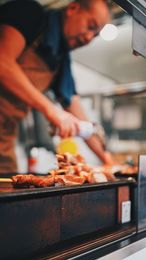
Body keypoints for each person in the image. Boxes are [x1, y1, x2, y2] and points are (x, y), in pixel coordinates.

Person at [0, 0, 114, 173]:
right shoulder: (29, 14)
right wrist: (52, 111)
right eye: (91, 26)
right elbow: (3, 62)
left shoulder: (61, 61)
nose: (89, 38)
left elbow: (79, 116)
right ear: (73, 8)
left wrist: (108, 161)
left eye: (96, 35)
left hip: (3, 138)